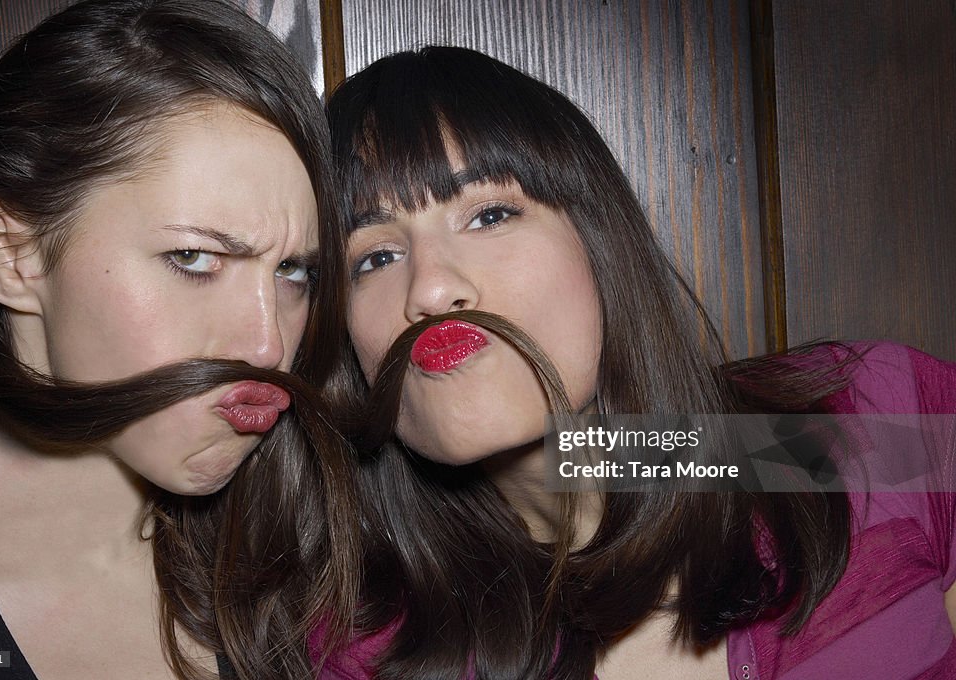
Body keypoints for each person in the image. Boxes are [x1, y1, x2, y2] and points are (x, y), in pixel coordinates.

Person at [321, 46, 956, 679]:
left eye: (489, 215)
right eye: (373, 257)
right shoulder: (360, 648)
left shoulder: (869, 427)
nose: (430, 288)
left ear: (600, 243)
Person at [0, 1, 359, 678]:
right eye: (193, 258)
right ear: (10, 257)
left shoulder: (299, 562)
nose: (268, 346)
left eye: (292, 272)